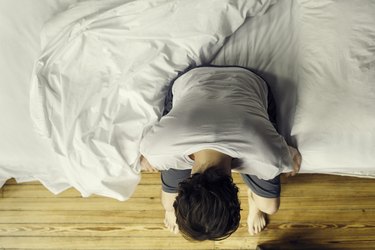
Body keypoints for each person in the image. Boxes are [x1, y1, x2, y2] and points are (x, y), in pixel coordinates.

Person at [139, 66, 302, 241]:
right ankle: (175, 209)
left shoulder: (269, 160)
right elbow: (290, 157)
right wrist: (148, 160)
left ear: (235, 190)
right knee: (168, 204)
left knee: (270, 207)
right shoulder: (158, 152)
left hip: (246, 82)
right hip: (200, 80)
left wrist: (289, 158)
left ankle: (253, 199)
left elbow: (292, 158)